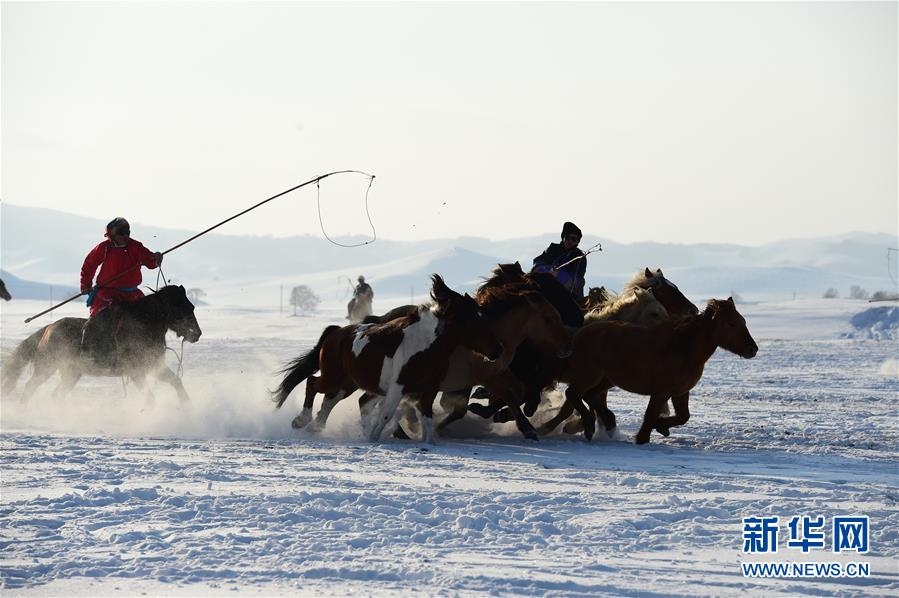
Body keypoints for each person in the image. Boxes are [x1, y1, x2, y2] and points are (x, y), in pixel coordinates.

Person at [79, 217, 163, 366]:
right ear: (112, 235)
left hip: (132, 295)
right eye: (122, 233)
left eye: (128, 232)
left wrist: (155, 258)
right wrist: (86, 285)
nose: (126, 235)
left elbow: (149, 262)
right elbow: (89, 265)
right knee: (98, 321)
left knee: (148, 319)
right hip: (106, 294)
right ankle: (87, 353)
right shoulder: (103, 248)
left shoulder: (136, 247)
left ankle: (149, 351)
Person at [531, 221, 587, 299]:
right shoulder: (553, 249)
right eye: (567, 238)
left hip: (567, 295)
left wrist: (558, 275)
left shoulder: (580, 257)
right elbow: (537, 264)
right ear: (563, 238)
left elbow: (577, 281)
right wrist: (547, 271)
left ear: (577, 241)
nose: (570, 241)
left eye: (574, 239)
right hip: (544, 286)